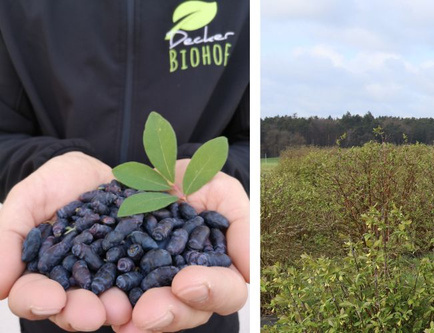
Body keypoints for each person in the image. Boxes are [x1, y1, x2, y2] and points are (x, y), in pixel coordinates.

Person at [0, 1, 249, 332]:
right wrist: (40, 166)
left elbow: (251, 139)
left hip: (198, 308)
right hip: (54, 315)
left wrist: (222, 175)